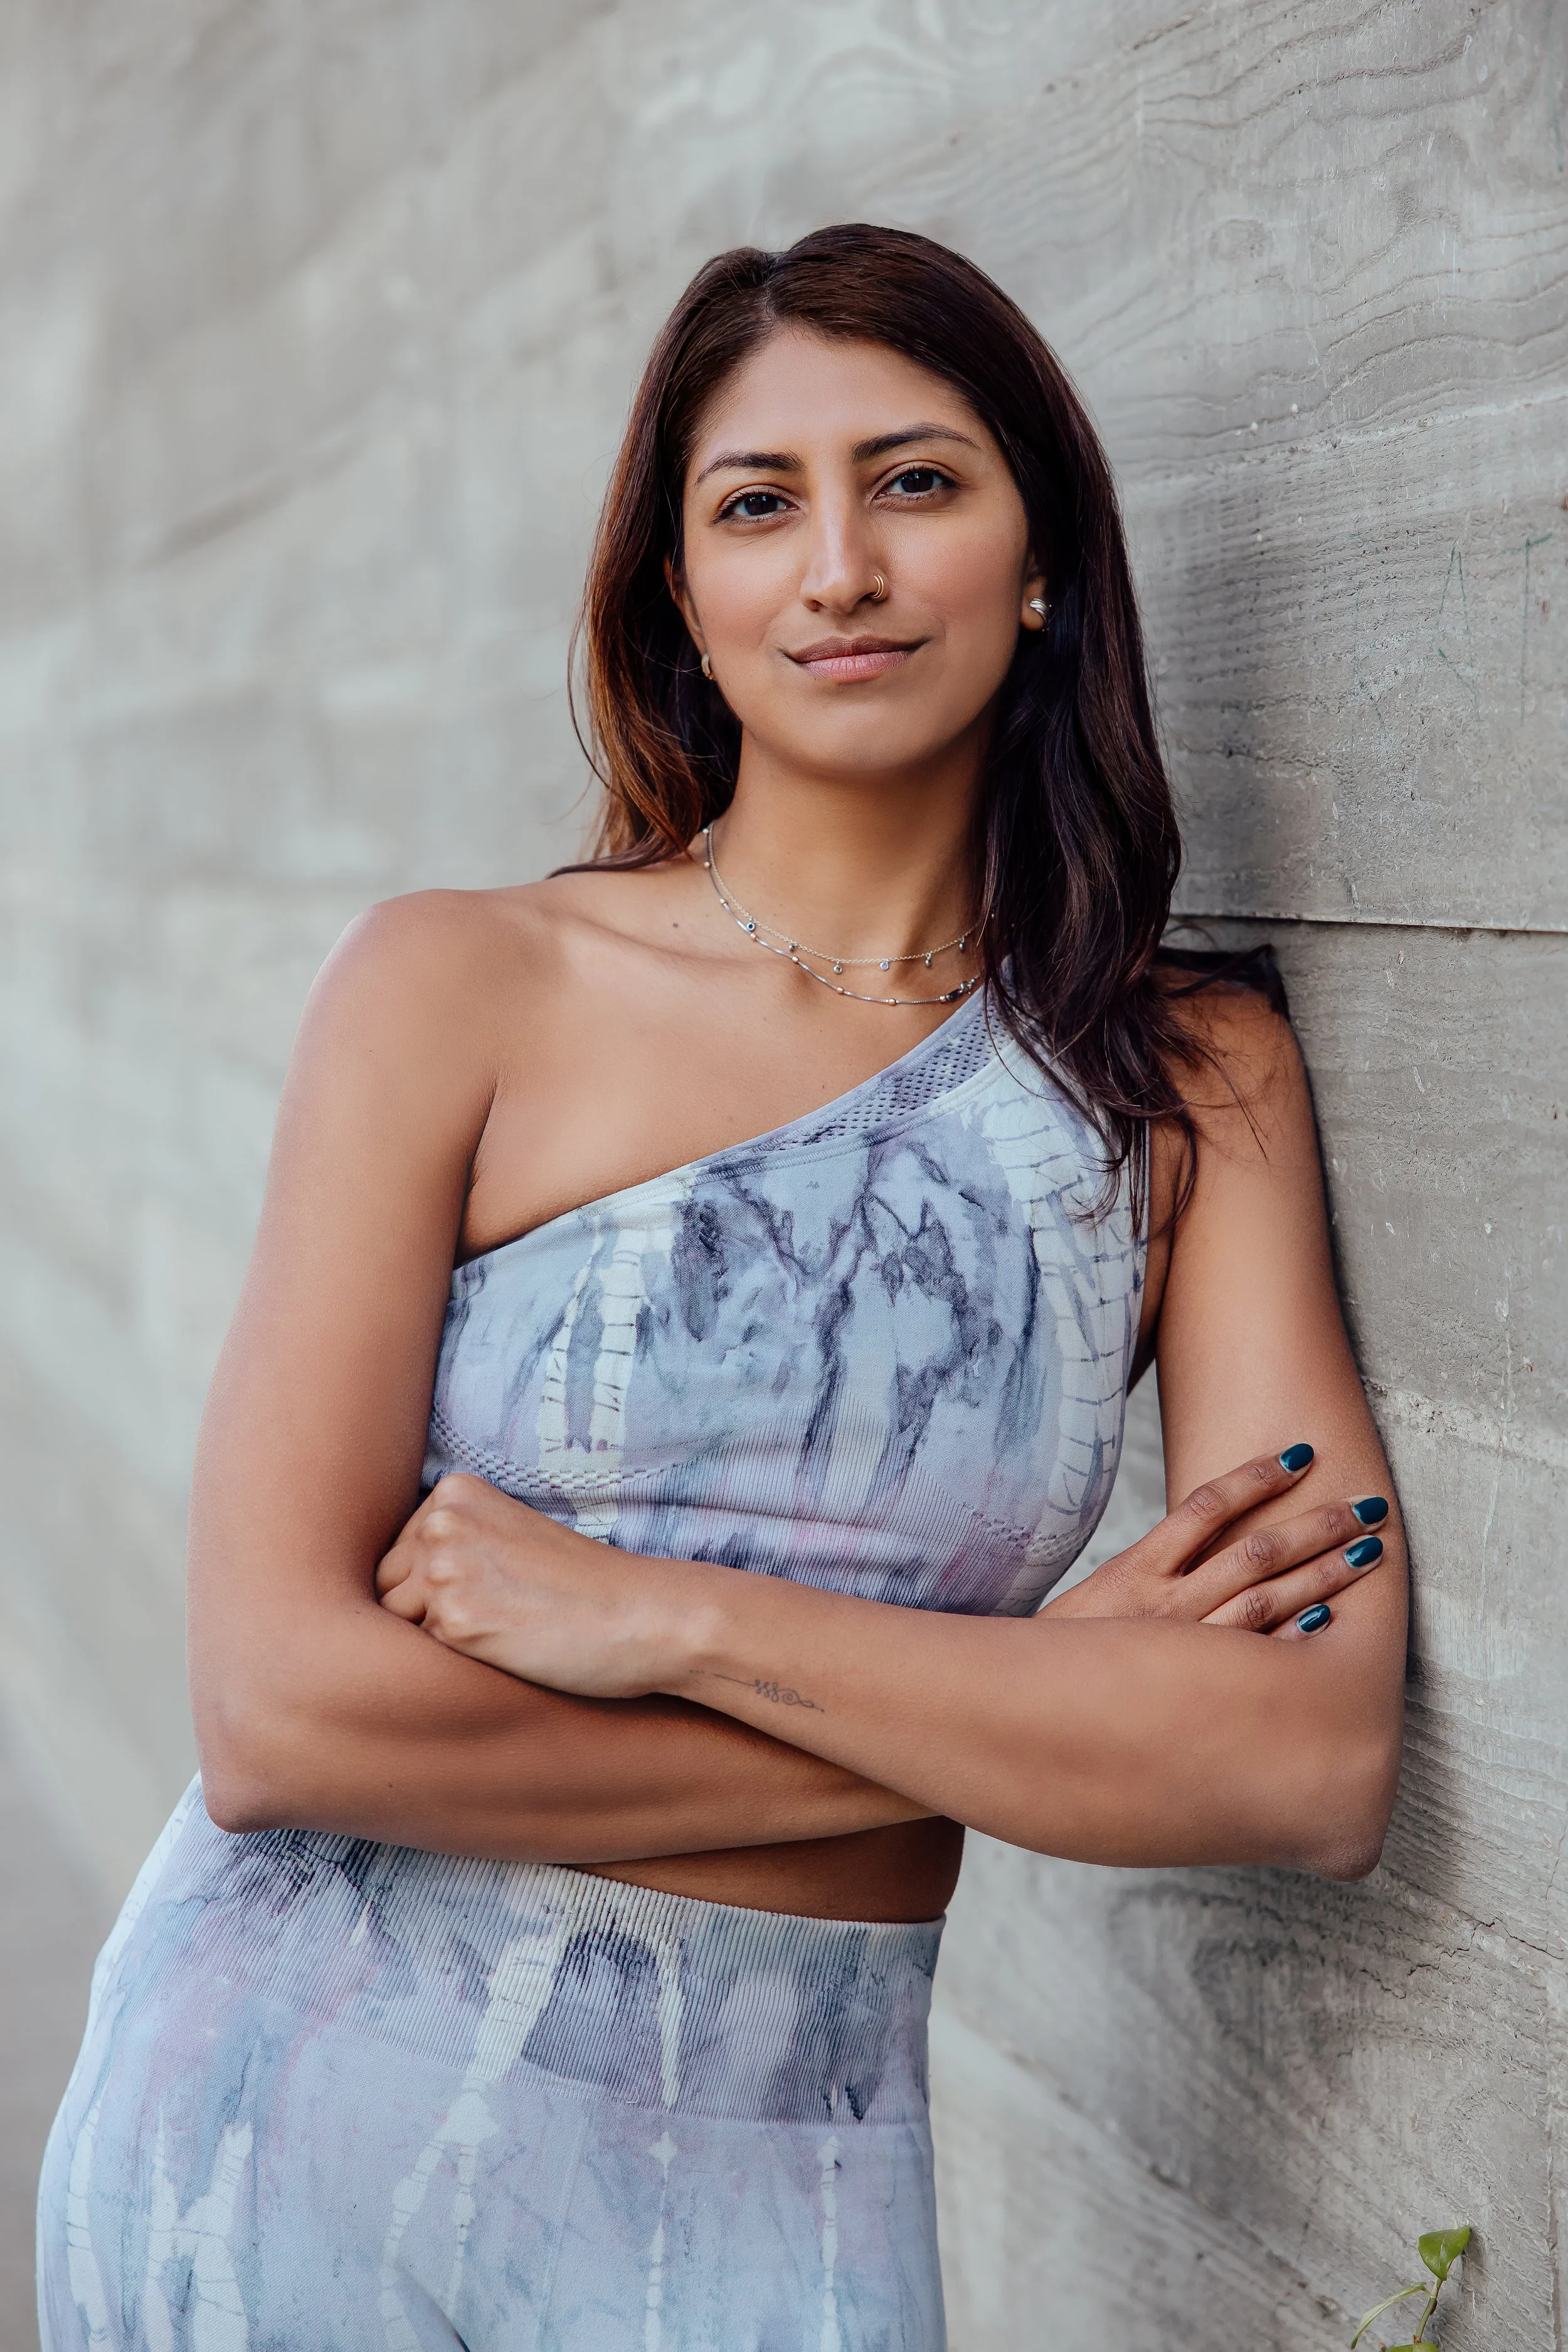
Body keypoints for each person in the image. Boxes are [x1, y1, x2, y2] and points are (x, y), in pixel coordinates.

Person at [38, 223, 1405, 2351]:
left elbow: (1298, 1760)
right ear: (680, 597)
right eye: (756, 505)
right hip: (306, 2133)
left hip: (799, 2175)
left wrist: (672, 1619)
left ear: (1045, 554)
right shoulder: (461, 984)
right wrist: (1029, 1708)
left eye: (917, 481)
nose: (837, 566)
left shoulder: (1182, 1078)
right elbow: (282, 1714)